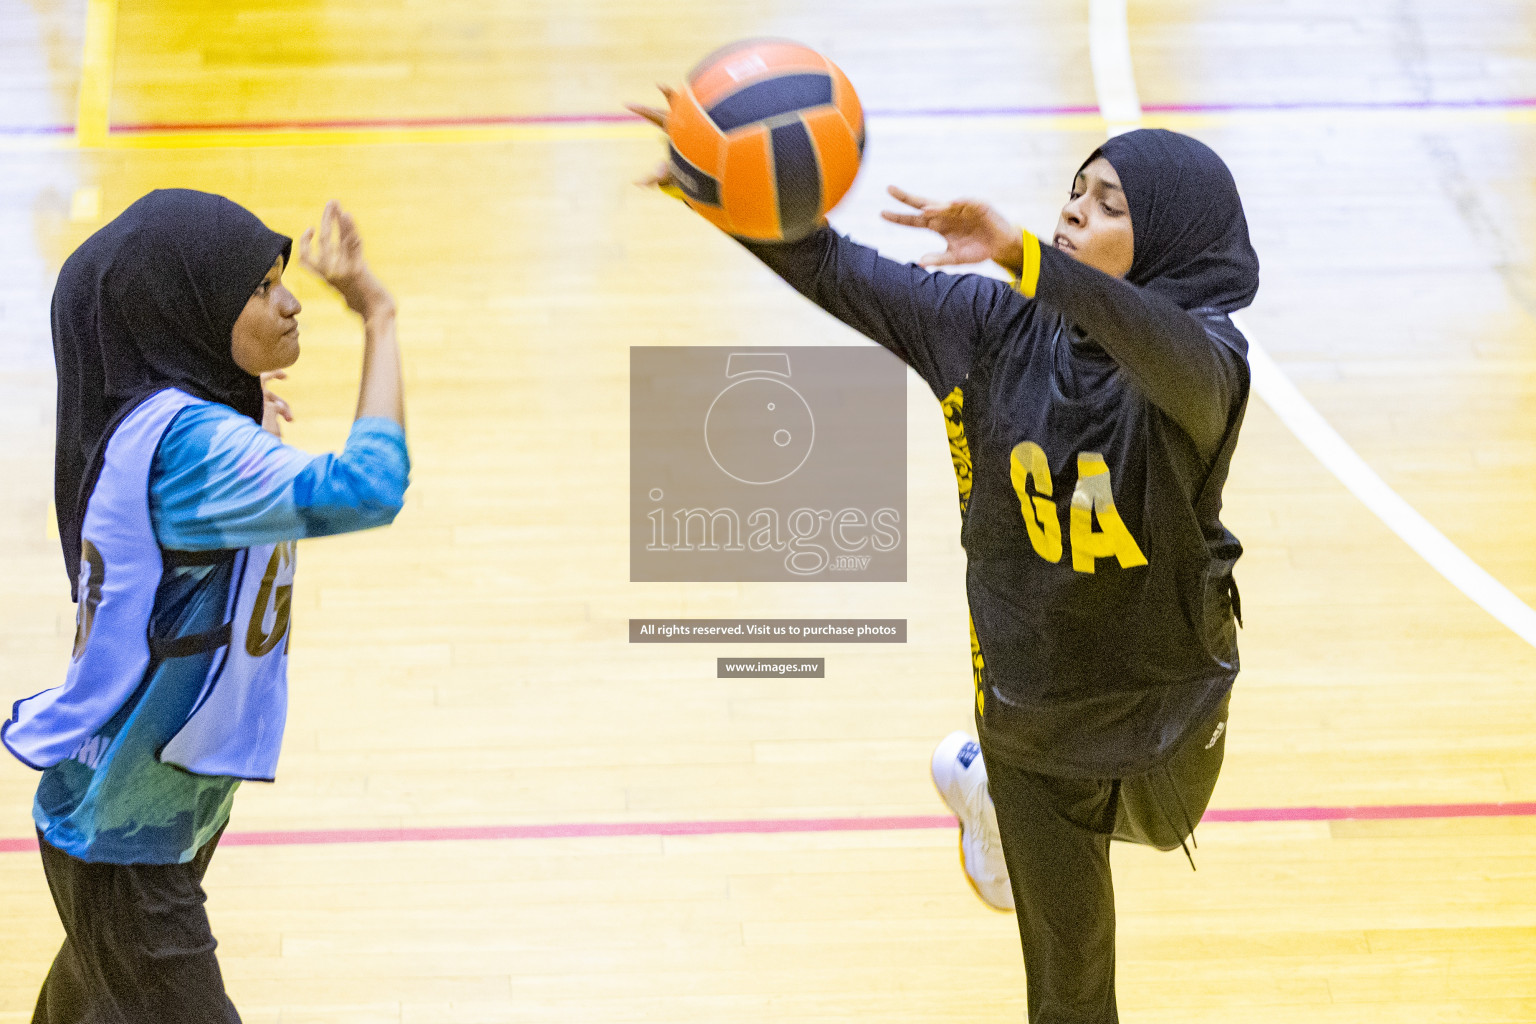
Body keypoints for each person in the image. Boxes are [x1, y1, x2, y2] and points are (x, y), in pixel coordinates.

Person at [632, 98, 1257, 1023]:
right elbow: (833, 265)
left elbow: (1158, 348)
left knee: (1157, 834)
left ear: (1171, 240)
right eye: (1074, 191)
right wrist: (720, 180)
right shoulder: (984, 325)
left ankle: (982, 796)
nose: (1078, 208)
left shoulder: (1207, 365)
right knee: (1073, 990)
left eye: (1112, 203)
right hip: (1029, 712)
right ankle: (998, 792)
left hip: (1162, 702)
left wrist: (1030, 259)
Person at [3, 190, 408, 1023]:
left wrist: (243, 413)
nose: (291, 301)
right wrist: (379, 315)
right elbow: (368, 488)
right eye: (260, 288)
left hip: (148, 816)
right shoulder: (189, 449)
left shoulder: (163, 421)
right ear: (180, 313)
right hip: (123, 839)